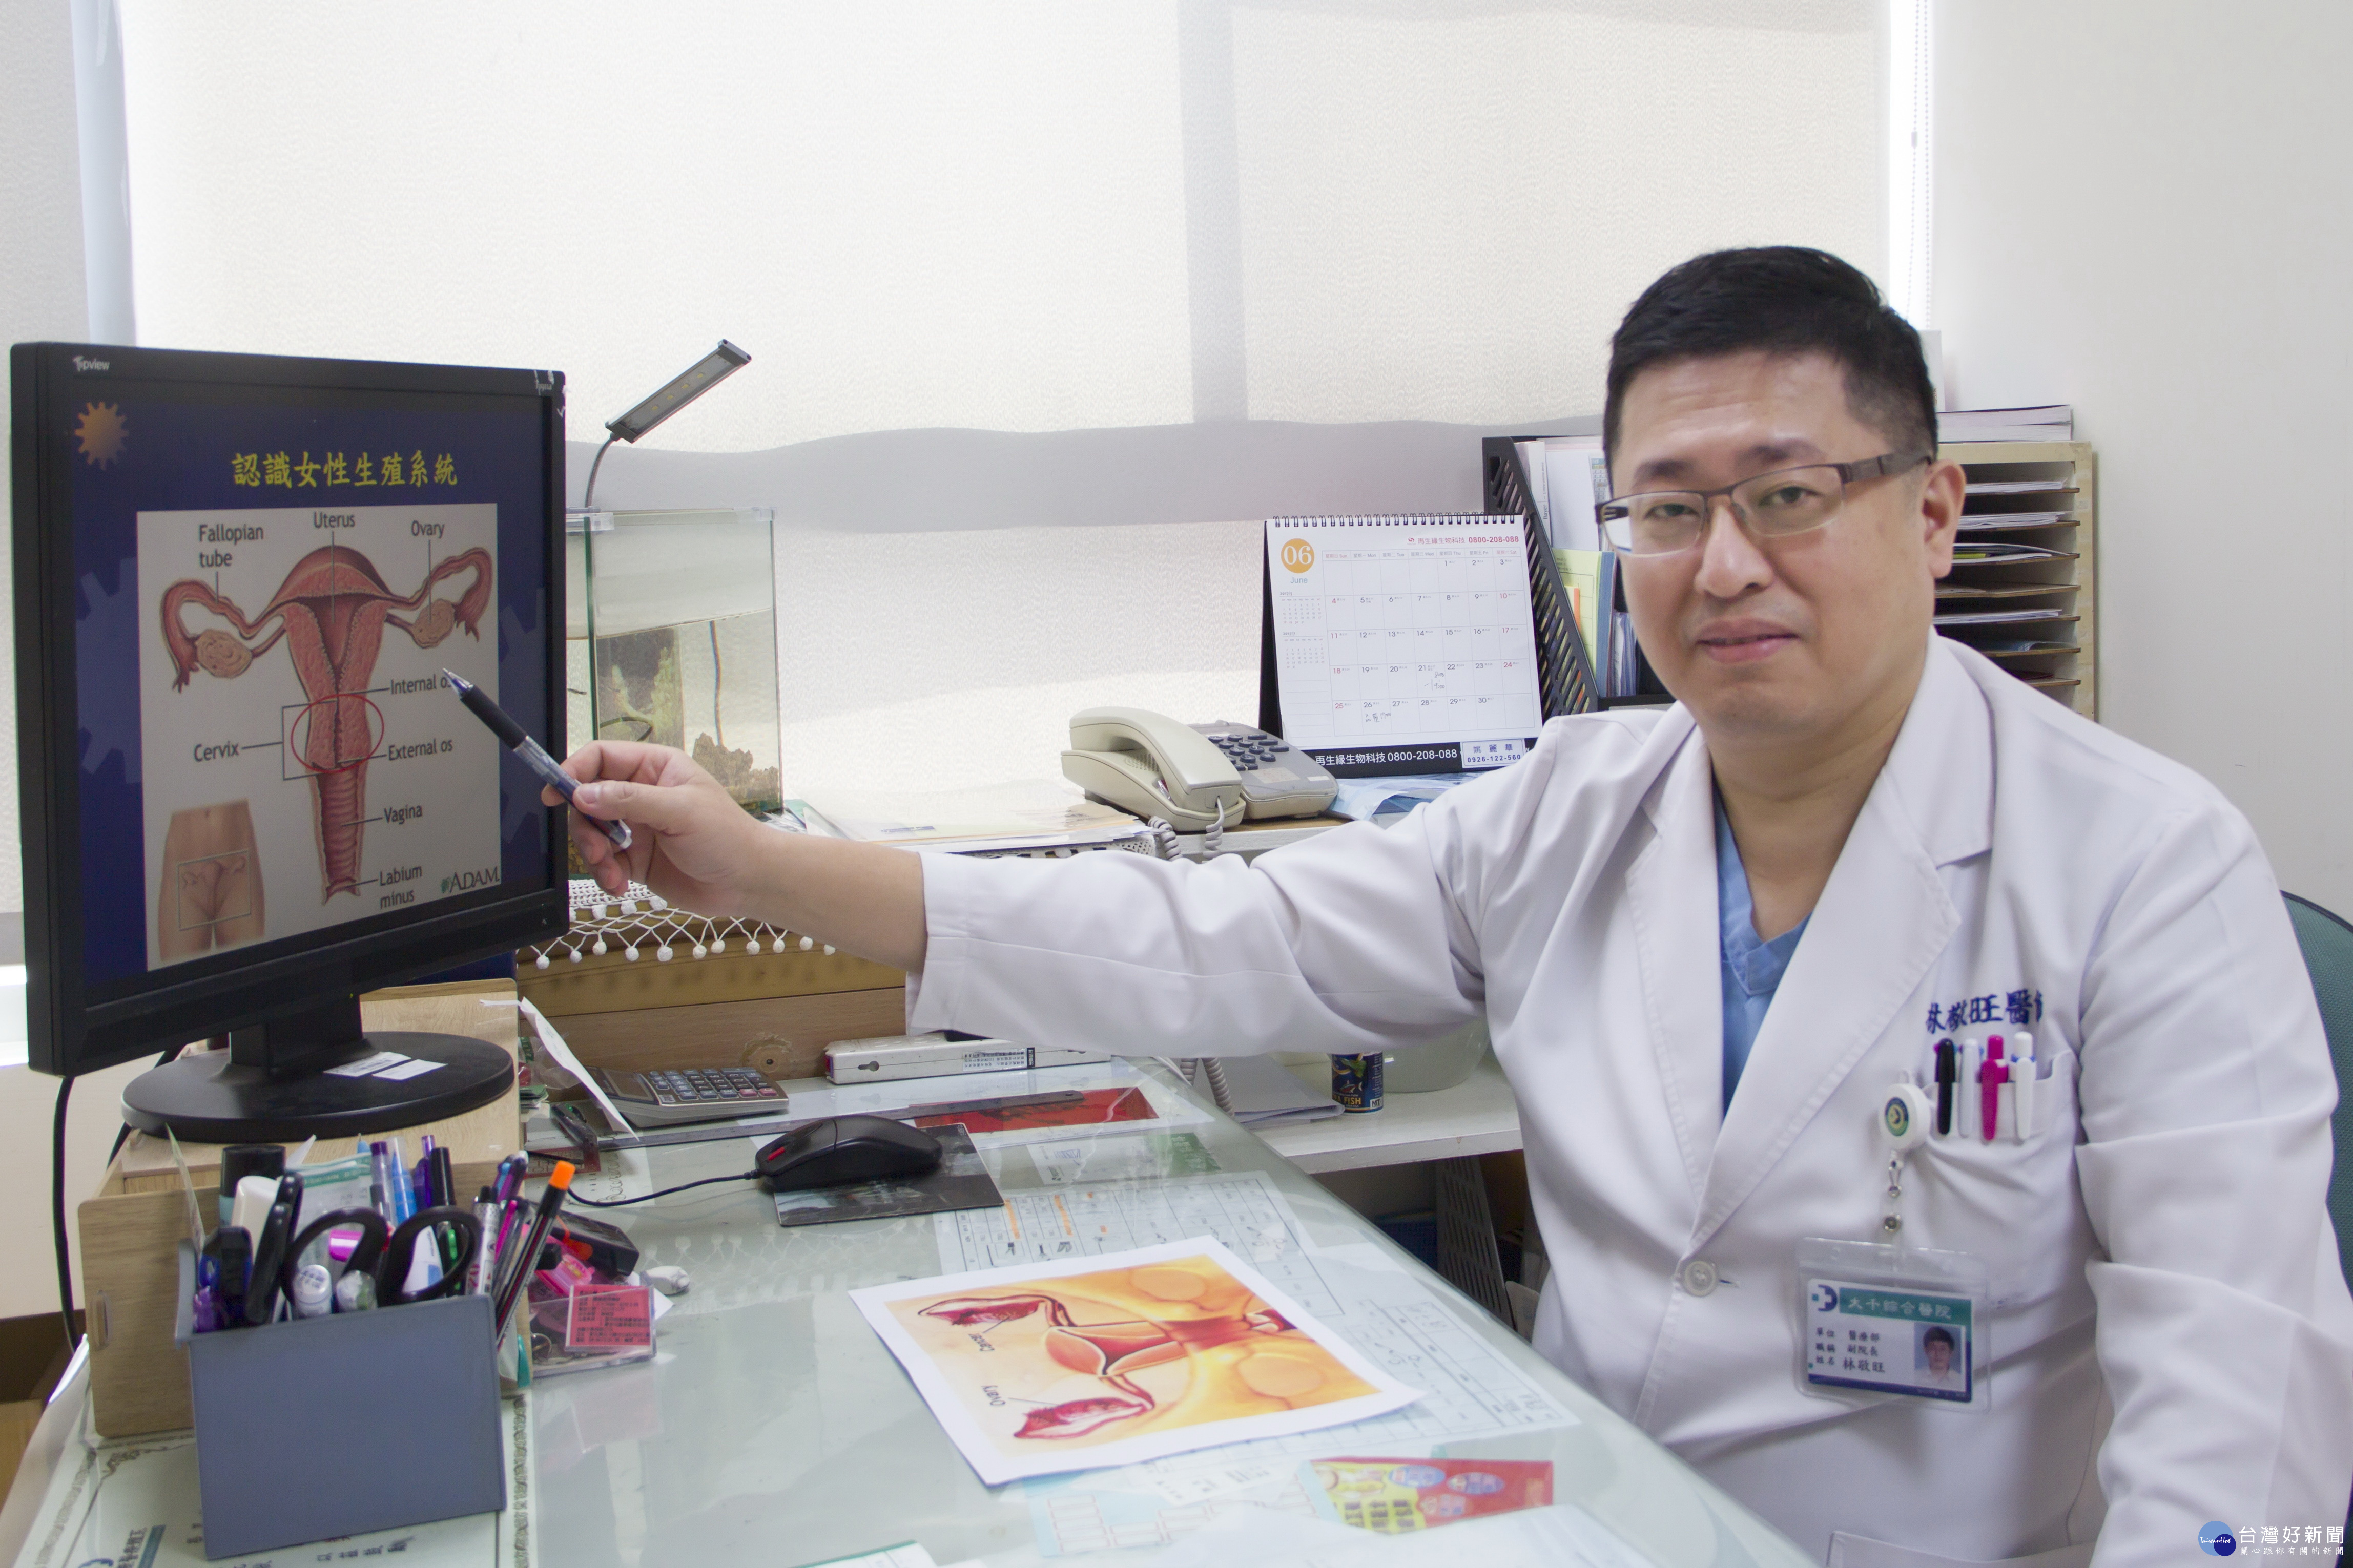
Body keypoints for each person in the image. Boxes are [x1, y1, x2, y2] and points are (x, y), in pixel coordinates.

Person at [550, 248, 2353, 1566]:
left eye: (1791, 496)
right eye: (1667, 513)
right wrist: (761, 866)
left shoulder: (2142, 868)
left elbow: (2247, 1420)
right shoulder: (1578, 804)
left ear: (1937, 513)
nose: (1724, 564)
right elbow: (1221, 945)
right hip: (1558, 1501)